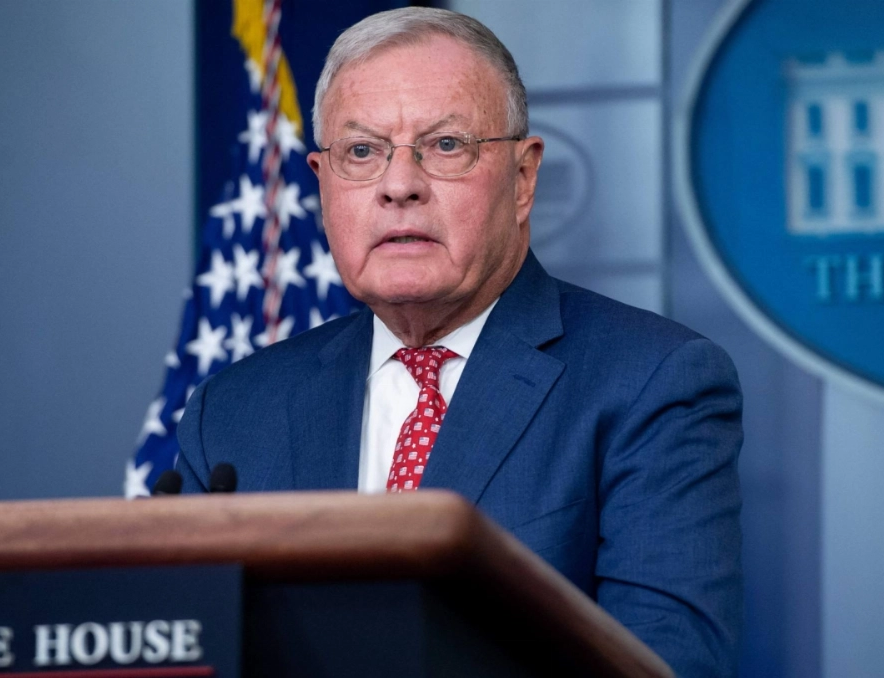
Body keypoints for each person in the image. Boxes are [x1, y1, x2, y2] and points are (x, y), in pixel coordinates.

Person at [177, 7, 742, 676]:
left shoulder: (654, 383)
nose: (399, 185)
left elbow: (664, 663)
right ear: (321, 183)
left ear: (524, 178)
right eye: (361, 151)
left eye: (445, 145)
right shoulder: (234, 411)